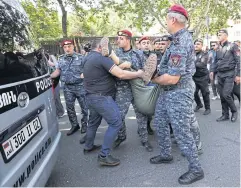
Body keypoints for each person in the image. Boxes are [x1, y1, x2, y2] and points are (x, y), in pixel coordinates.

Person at [150, 4, 204, 184]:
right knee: (160, 121)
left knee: (181, 131)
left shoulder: (181, 42)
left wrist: (152, 79)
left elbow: (173, 78)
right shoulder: (175, 39)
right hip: (168, 92)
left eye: (167, 19)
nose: (166, 22)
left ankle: (196, 169)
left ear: (173, 19)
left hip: (178, 91)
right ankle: (166, 154)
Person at [82, 39, 144, 166]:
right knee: (116, 122)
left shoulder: (87, 58)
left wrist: (122, 65)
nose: (109, 50)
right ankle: (104, 155)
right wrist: (138, 73)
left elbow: (105, 72)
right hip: (102, 98)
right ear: (100, 47)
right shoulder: (101, 58)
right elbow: (120, 74)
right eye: (107, 47)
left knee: (93, 122)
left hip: (90, 97)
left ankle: (88, 146)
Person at [112, 30, 153, 152]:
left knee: (141, 115)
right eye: (117, 38)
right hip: (121, 89)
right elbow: (113, 72)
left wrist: (134, 72)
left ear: (128, 39)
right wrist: (124, 68)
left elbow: (145, 71)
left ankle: (144, 139)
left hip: (137, 89)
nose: (118, 40)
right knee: (119, 116)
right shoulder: (115, 54)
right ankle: (121, 136)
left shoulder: (139, 54)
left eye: (121, 38)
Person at [51, 39, 88, 136]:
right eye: (65, 47)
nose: (67, 49)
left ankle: (85, 125)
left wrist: (85, 74)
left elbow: (87, 69)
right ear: (63, 48)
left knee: (84, 107)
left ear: (73, 47)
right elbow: (58, 71)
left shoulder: (81, 57)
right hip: (67, 88)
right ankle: (74, 125)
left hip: (80, 86)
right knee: (70, 108)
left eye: (69, 46)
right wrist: (49, 76)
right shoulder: (61, 58)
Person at [210, 29, 240, 122]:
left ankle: (234, 111)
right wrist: (212, 71)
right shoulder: (217, 47)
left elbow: (239, 60)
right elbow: (214, 61)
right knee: (222, 96)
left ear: (226, 35)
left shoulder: (233, 46)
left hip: (230, 73)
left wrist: (239, 75)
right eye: (218, 34)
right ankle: (225, 114)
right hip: (220, 74)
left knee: (226, 94)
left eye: (221, 34)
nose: (219, 35)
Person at [193, 38, 211, 115]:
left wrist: (191, 64)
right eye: (195, 44)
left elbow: (202, 64)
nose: (196, 45)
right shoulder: (191, 54)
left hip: (203, 77)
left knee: (205, 93)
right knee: (194, 92)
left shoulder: (204, 54)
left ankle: (208, 108)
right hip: (194, 77)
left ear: (201, 46)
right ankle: (199, 104)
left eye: (198, 44)